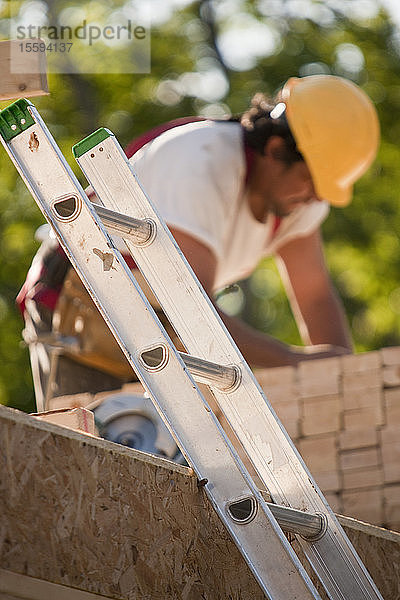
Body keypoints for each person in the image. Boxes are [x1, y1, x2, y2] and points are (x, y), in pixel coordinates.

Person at [17, 74, 380, 410]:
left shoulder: (295, 198)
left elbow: (315, 296)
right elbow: (194, 311)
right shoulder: (199, 160)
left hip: (164, 319)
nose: (317, 198)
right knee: (94, 450)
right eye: (311, 182)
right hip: (86, 305)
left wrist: (345, 384)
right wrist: (294, 362)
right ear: (274, 150)